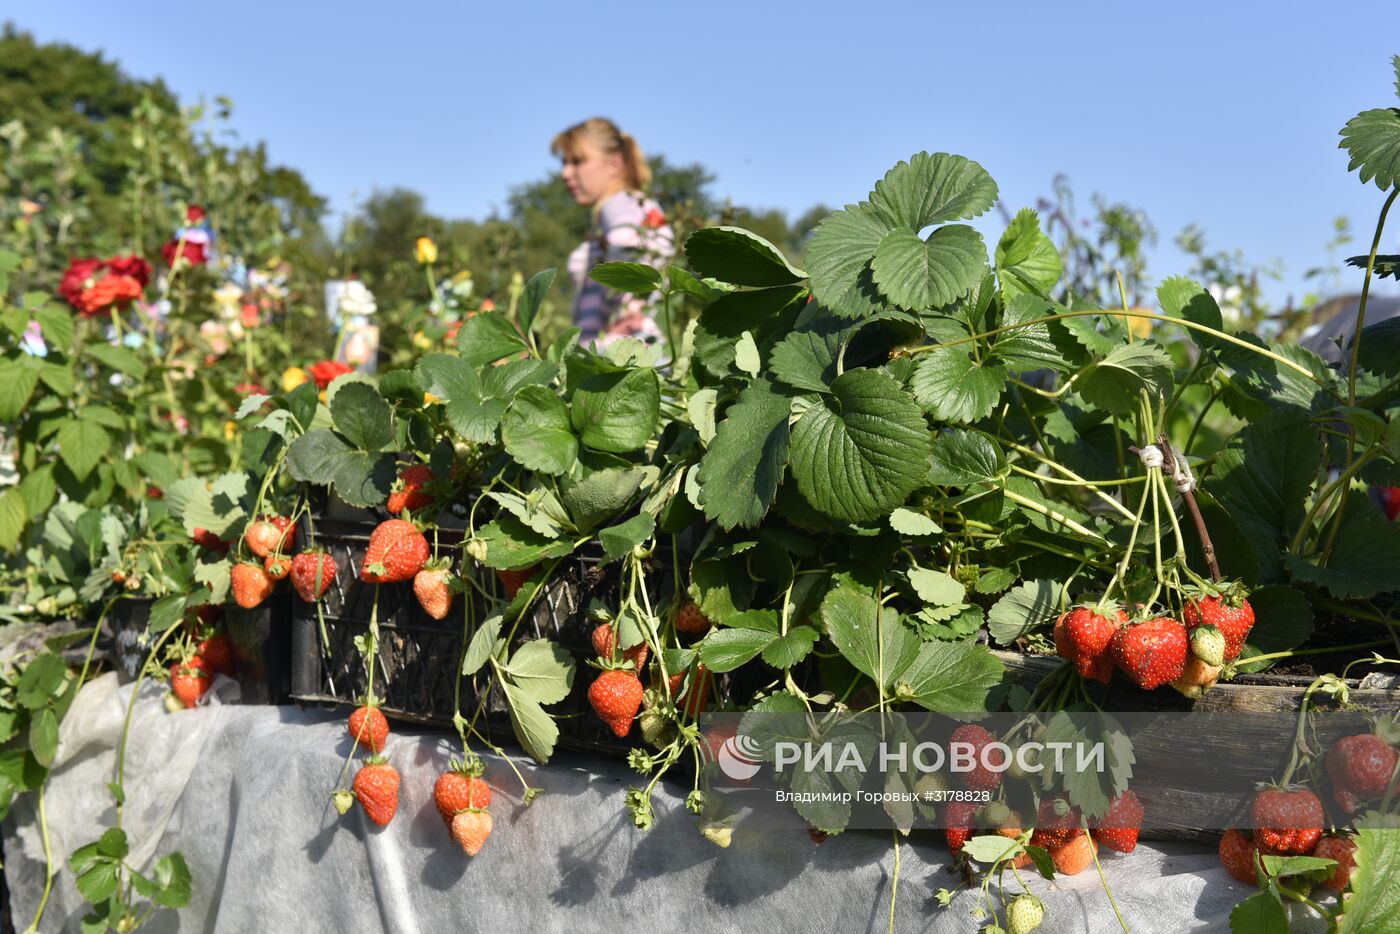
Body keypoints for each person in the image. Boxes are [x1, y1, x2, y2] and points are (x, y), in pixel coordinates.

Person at [552, 118, 674, 346]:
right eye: (564, 162)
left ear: (614, 165)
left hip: (623, 355)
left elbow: (632, 242)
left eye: (577, 161)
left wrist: (633, 311)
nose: (565, 172)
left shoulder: (620, 203)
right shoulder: (624, 208)